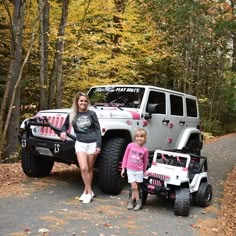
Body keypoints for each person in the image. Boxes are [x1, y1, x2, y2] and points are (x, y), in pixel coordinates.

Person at [60, 92, 102, 204]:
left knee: (89, 169)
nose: (83, 103)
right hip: (80, 143)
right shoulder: (72, 114)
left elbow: (98, 130)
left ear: (87, 102)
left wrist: (98, 145)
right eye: (81, 101)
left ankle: (86, 191)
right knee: (83, 168)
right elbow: (64, 125)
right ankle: (89, 191)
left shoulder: (92, 114)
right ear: (77, 102)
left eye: (85, 101)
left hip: (92, 143)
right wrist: (63, 131)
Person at [121, 128, 149, 211]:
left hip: (139, 170)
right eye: (137, 136)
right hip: (130, 169)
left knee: (135, 187)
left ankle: (131, 201)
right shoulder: (130, 146)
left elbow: (145, 161)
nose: (139, 138)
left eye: (141, 137)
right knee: (134, 187)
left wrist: (144, 171)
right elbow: (125, 157)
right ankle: (138, 202)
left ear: (145, 138)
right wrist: (123, 168)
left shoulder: (145, 150)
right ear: (135, 137)